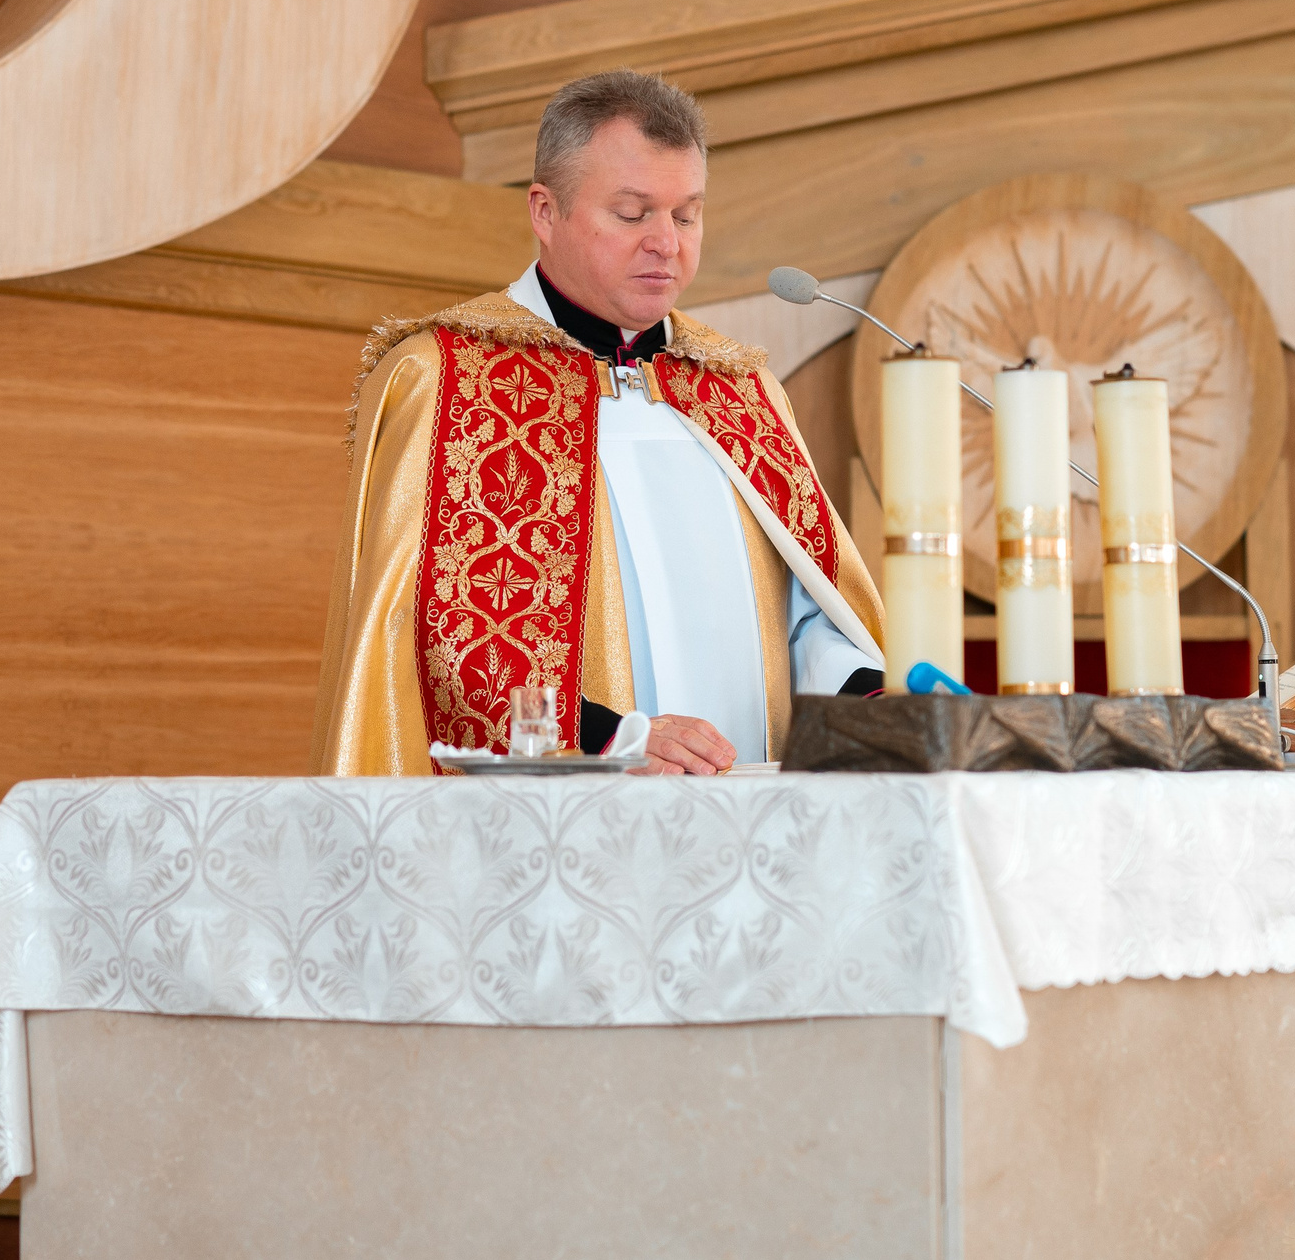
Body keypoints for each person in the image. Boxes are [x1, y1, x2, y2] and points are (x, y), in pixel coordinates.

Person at [312, 68, 883, 775]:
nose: (666, 243)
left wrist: (867, 701)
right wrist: (613, 739)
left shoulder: (739, 387)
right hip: (555, 831)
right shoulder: (451, 377)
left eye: (686, 213)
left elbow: (813, 615)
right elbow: (431, 641)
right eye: (632, 211)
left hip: (753, 820)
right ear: (545, 212)